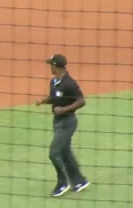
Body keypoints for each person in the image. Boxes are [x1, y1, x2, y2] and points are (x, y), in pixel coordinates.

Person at [36, 54, 91, 197]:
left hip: (68, 122)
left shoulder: (69, 83)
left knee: (54, 153)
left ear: (56, 66)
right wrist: (44, 101)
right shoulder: (54, 81)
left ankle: (63, 183)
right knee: (65, 152)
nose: (50, 67)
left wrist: (63, 110)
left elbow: (81, 101)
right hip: (58, 122)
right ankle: (80, 181)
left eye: (51, 65)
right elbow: (55, 98)